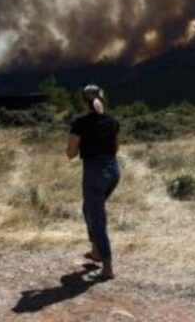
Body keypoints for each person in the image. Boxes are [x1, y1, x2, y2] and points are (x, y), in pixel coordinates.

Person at [66, 84, 121, 280]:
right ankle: (96, 250)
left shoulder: (80, 123)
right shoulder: (112, 121)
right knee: (88, 209)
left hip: (94, 175)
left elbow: (71, 153)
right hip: (113, 171)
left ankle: (107, 267)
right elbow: (116, 148)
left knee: (97, 219)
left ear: (83, 101)